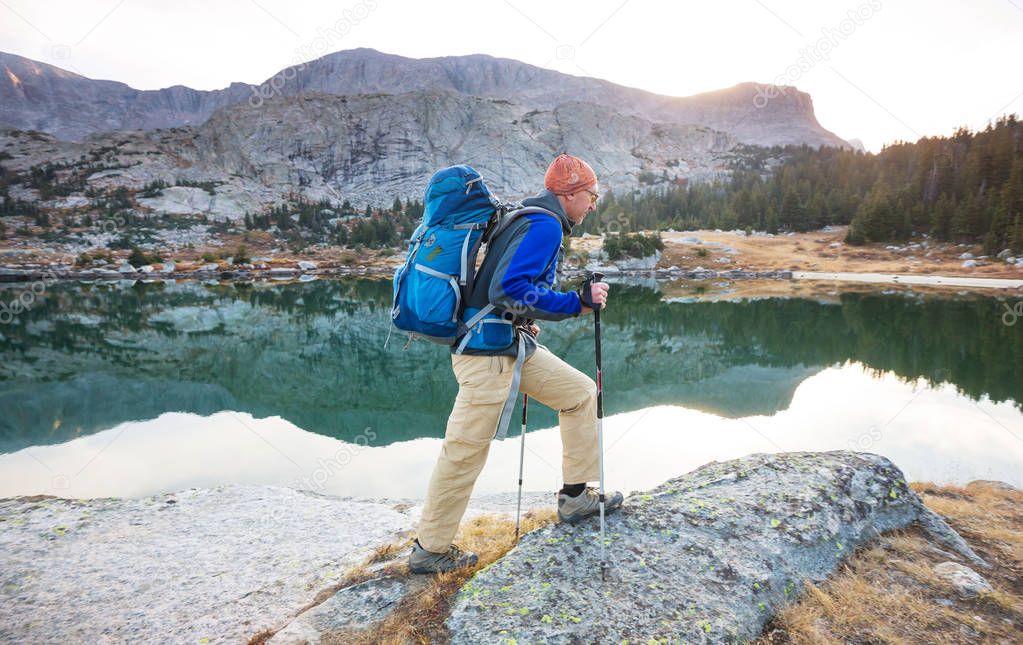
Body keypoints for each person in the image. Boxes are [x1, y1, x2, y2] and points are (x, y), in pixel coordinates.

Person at [409, 153, 624, 574]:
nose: (594, 205)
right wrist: (576, 302)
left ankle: (576, 497)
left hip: (509, 345)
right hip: (486, 357)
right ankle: (429, 550)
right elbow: (509, 288)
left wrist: (524, 320)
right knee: (465, 453)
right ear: (571, 193)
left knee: (579, 392)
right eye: (592, 196)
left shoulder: (528, 217)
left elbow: (504, 291)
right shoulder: (544, 224)